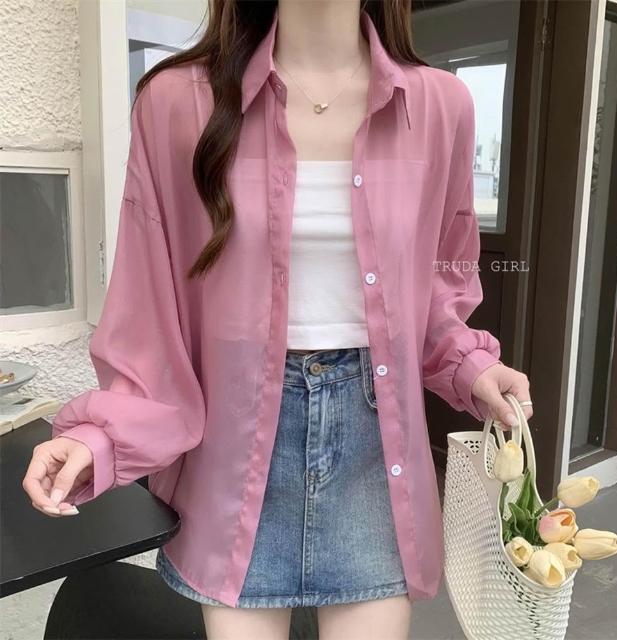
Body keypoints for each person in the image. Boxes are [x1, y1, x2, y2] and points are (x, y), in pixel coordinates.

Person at [22, 1, 534, 638]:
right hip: (234, 455)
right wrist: (101, 436)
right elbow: (149, 312)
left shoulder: (440, 107)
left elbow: (434, 287)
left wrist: (470, 365)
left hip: (375, 453)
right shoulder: (177, 103)